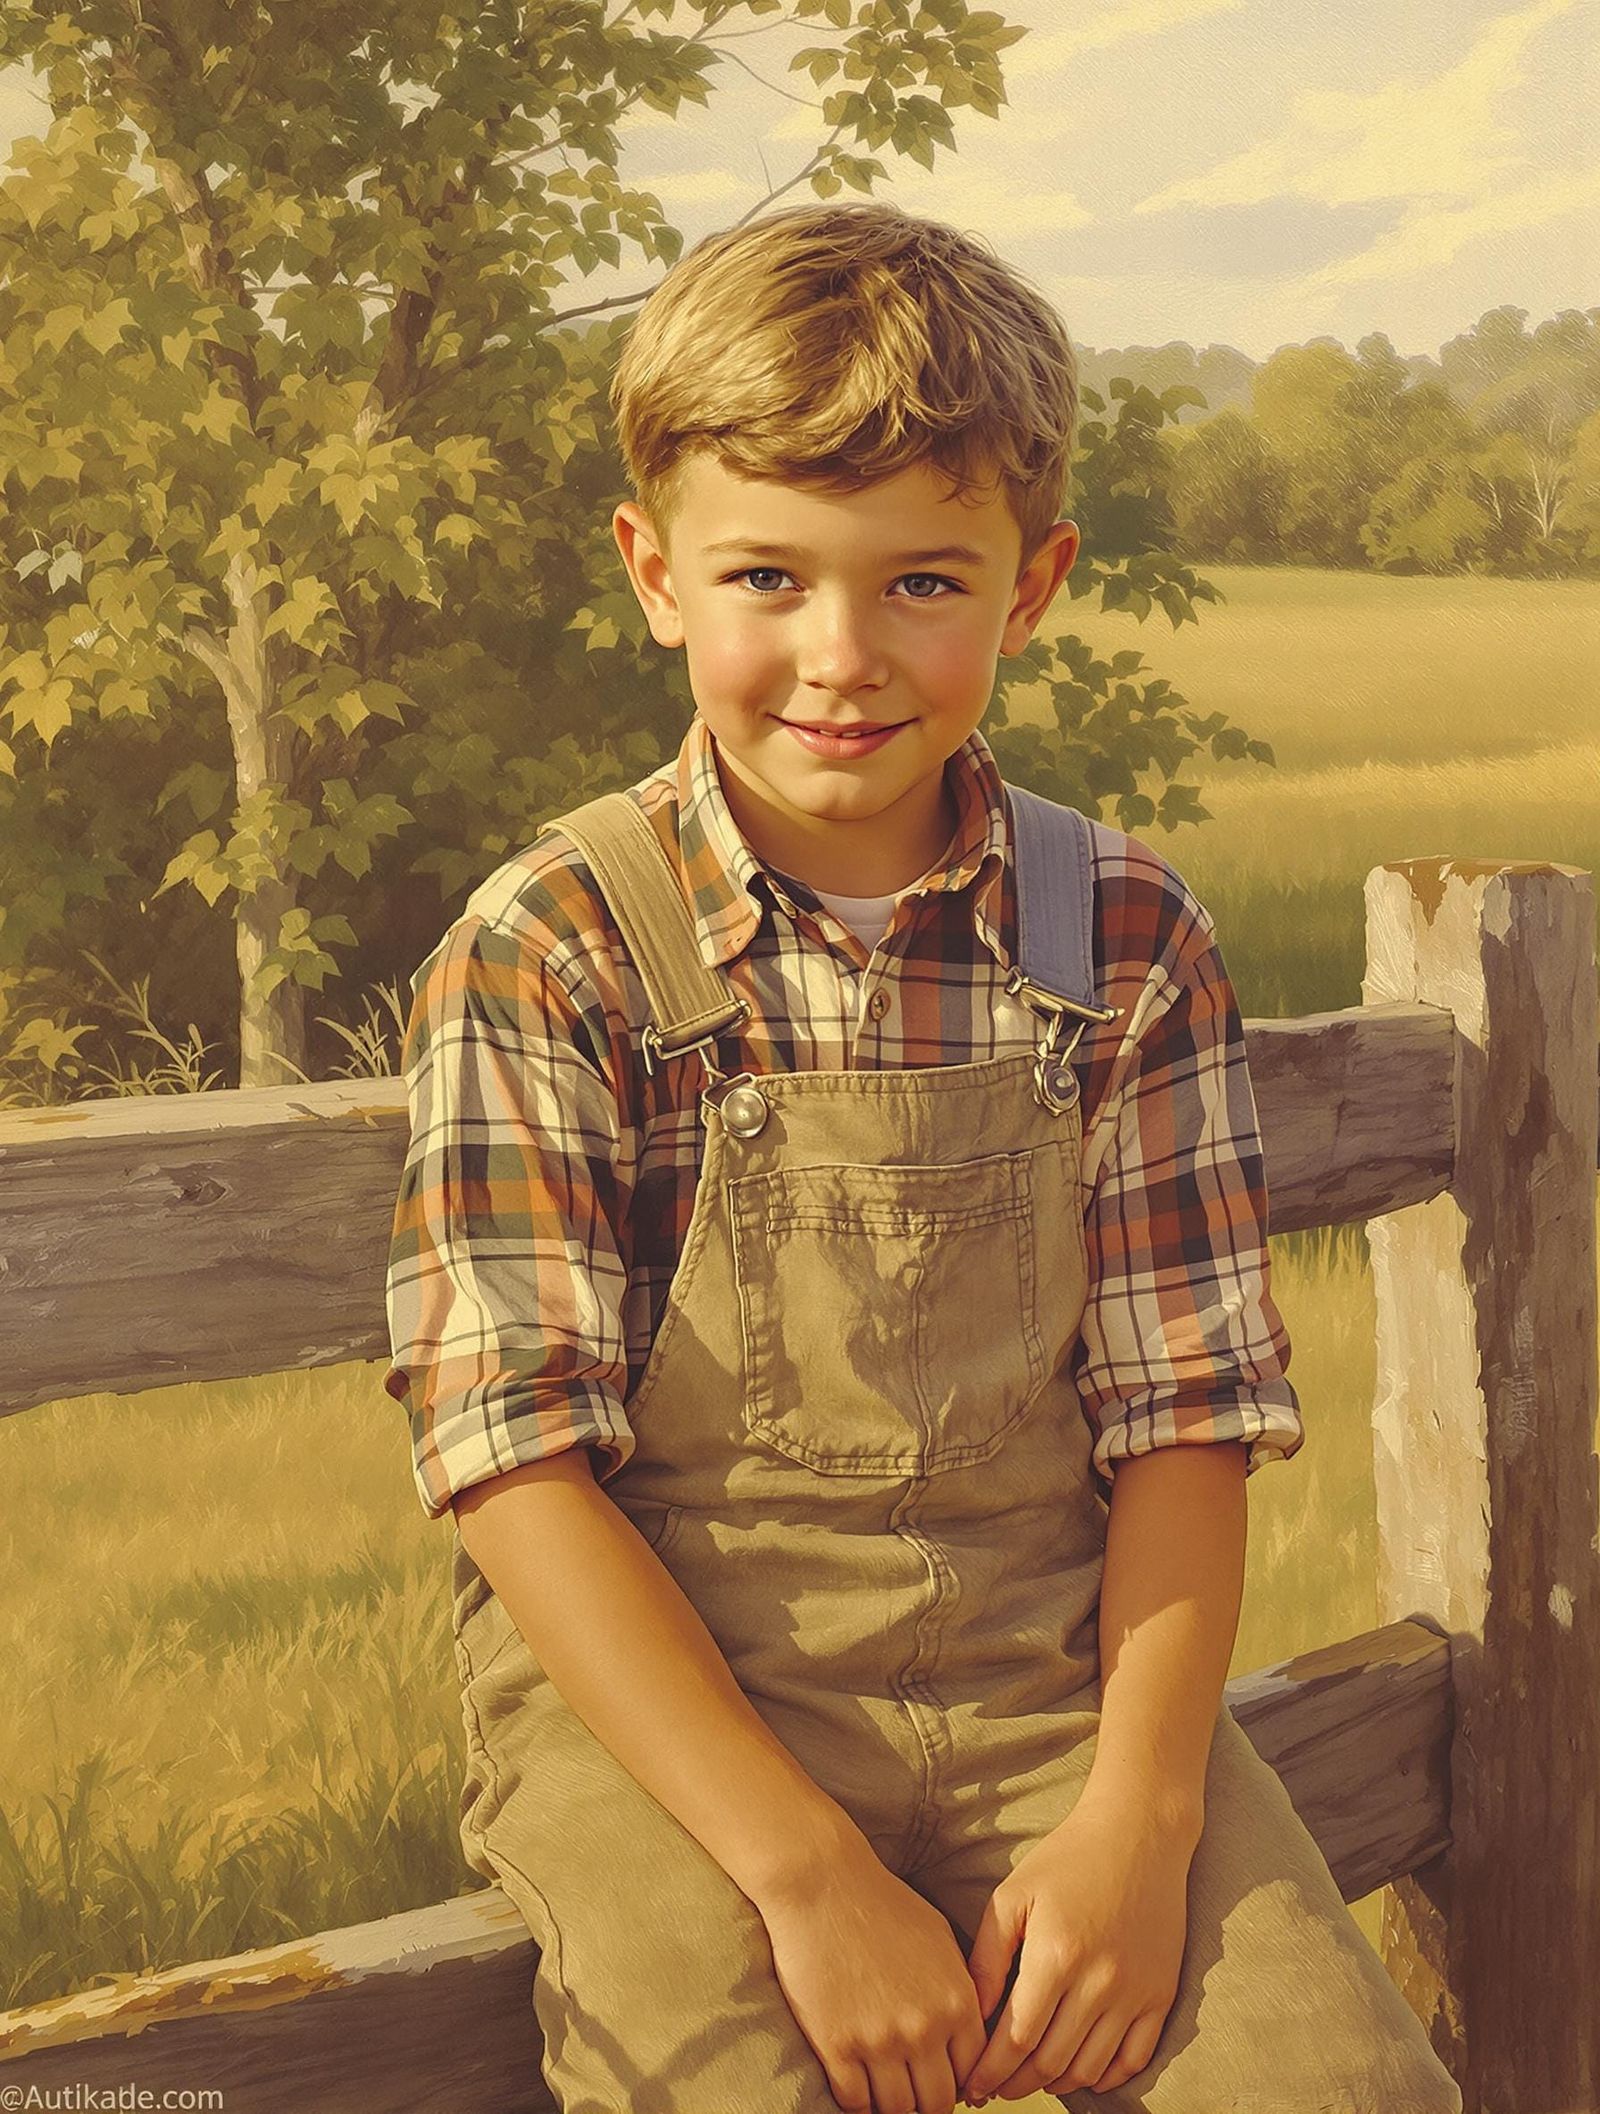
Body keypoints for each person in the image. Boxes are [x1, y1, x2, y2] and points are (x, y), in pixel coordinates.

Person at [383, 201, 1463, 2114]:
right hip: (672, 1721)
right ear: (652, 573)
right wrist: (804, 1877)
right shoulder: (552, 946)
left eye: (923, 585)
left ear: (1032, 583)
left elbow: (1187, 1416)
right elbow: (516, 1466)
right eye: (768, 579)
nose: (842, 654)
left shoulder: (1121, 934)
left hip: (1061, 1680)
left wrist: (1138, 1824)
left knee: (1340, 2089)